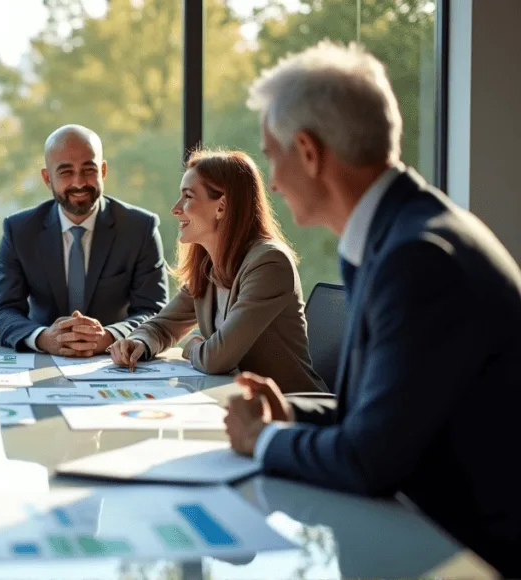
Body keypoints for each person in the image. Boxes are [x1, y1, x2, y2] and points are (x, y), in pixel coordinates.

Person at [223, 41, 521, 576]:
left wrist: (261, 439)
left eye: (272, 155)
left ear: (309, 153)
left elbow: (368, 460)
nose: (270, 180)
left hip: (465, 557)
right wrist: (290, 413)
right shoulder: (402, 233)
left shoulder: (417, 258)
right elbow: (383, 414)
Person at [108, 149, 325, 393]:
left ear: (221, 207)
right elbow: (163, 325)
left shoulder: (269, 263)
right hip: (236, 405)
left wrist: (190, 346)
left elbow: (216, 358)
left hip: (290, 411)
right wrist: (138, 342)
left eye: (187, 197)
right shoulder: (209, 265)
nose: (176, 209)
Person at [0, 124, 169, 356]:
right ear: (47, 178)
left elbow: (154, 310)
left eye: (88, 169)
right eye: (65, 171)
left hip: (115, 360)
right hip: (42, 360)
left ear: (103, 170)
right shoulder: (19, 230)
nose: (79, 182)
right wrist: (44, 338)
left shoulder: (140, 228)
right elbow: (3, 311)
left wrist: (110, 336)